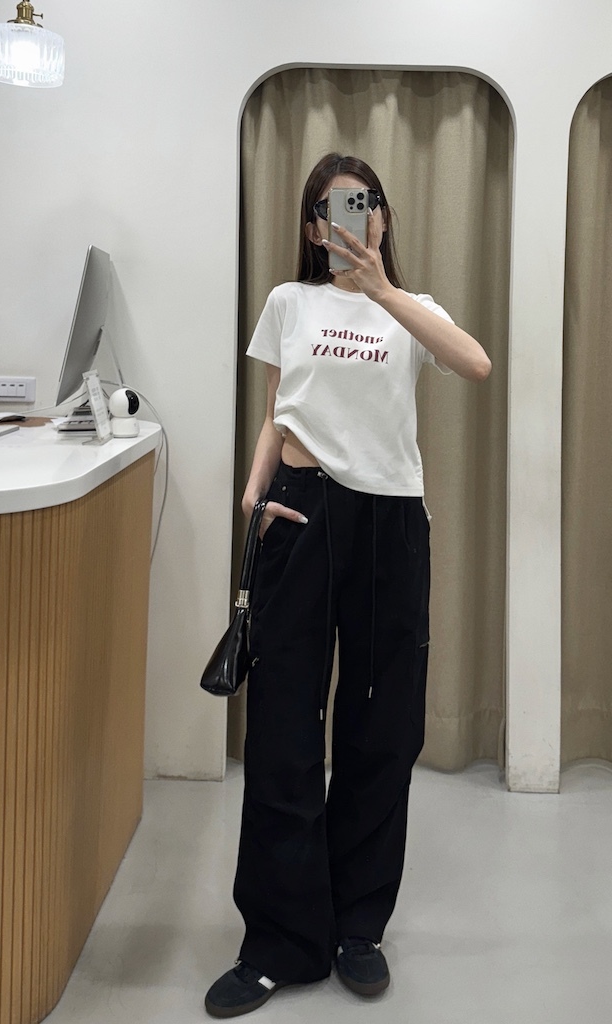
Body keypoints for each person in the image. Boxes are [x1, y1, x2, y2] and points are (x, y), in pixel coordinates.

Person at [205, 153, 491, 1018]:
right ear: (311, 227)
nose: (349, 220)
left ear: (383, 218)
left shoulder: (413, 308)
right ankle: (279, 942)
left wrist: (381, 290)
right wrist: (254, 496)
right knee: (283, 730)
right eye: (331, 209)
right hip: (300, 512)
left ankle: (357, 926)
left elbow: (475, 364)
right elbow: (276, 408)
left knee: (382, 727)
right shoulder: (288, 303)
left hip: (390, 526)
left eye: (363, 206)